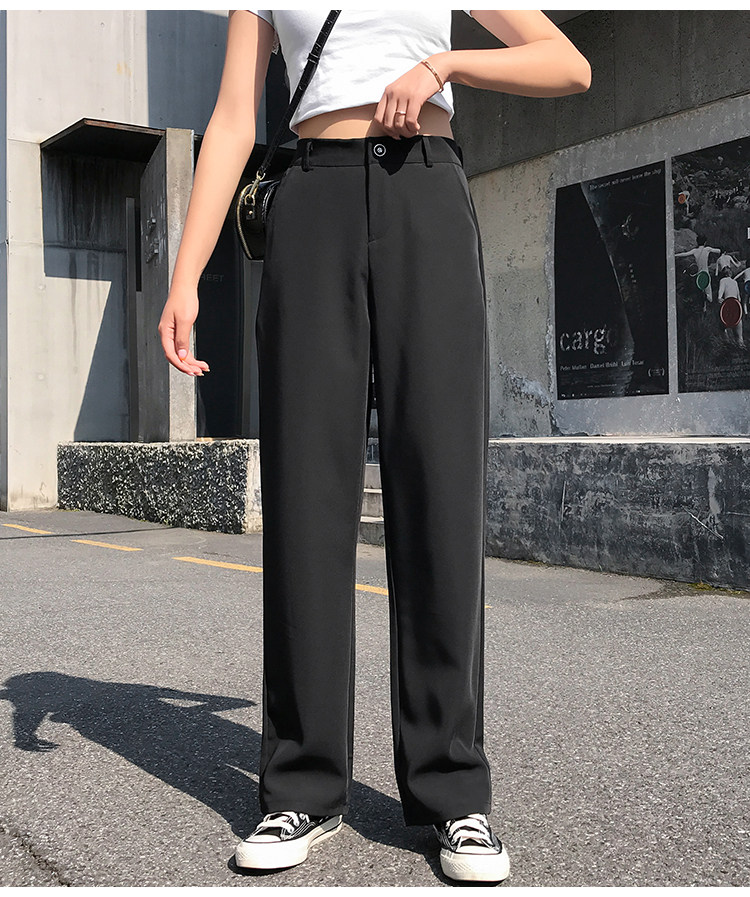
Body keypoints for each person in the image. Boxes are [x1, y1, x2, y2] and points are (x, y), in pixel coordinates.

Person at [158, 9, 590, 884]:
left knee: (441, 492)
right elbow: (235, 117)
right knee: (305, 501)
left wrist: (444, 65)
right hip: (310, 198)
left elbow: (567, 64)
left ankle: (453, 792)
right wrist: (186, 272)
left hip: (425, 188)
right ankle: (302, 786)